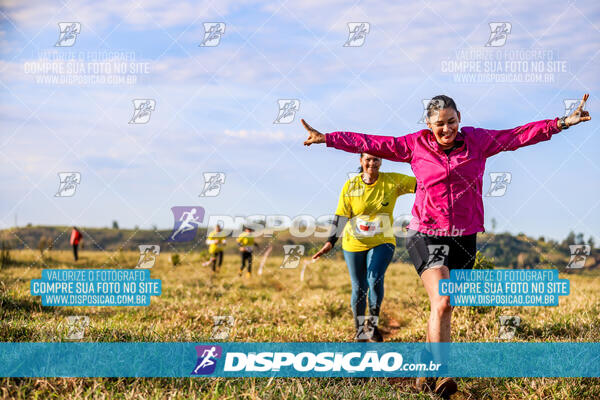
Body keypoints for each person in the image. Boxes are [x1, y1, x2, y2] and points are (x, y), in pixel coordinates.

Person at [302, 94, 591, 397]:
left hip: (464, 238)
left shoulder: (478, 141)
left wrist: (560, 123)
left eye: (451, 121)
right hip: (426, 234)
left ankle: (424, 370)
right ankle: (443, 375)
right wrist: (327, 138)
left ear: (460, 118)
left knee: (441, 307)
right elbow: (373, 142)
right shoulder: (415, 145)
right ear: (428, 124)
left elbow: (516, 136)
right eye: (439, 123)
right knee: (443, 302)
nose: (446, 128)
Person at [313, 153, 416, 343]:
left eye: (376, 159)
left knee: (374, 278)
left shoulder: (392, 180)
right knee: (359, 287)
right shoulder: (351, 185)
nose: (372, 163)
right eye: (368, 159)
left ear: (381, 161)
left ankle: (372, 324)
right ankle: (360, 330)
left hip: (382, 241)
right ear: (361, 161)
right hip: (354, 243)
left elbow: (423, 184)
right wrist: (330, 241)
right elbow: (341, 215)